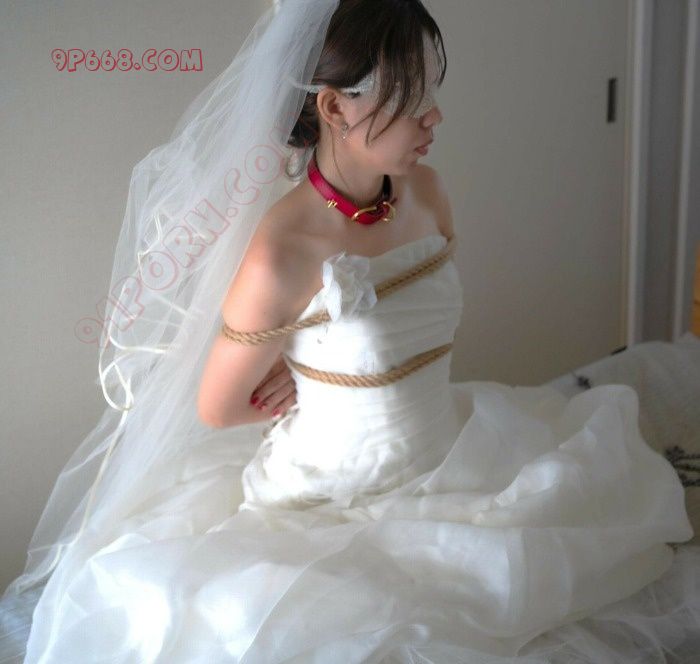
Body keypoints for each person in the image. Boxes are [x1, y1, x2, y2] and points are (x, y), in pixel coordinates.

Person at [5, 1, 700, 662]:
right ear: (335, 108)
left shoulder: (426, 192)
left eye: (432, 91)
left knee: (591, 519)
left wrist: (330, 359)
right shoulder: (283, 251)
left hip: (450, 456)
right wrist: (305, 381)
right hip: (329, 498)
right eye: (411, 98)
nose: (434, 115)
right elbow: (216, 407)